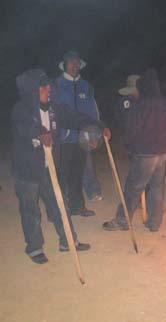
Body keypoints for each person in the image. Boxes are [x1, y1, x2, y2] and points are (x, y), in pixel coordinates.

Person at [11, 69, 111, 264]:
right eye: (44, 86)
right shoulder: (21, 109)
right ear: (33, 90)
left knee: (60, 205)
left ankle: (68, 241)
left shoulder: (55, 109)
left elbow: (77, 118)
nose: (49, 89)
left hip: (49, 168)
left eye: (48, 85)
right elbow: (24, 126)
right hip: (27, 171)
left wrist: (98, 125)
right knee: (30, 209)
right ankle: (34, 247)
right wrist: (40, 132)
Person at [103, 69, 166, 232]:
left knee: (133, 188)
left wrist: (130, 146)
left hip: (144, 152)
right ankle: (154, 222)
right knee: (156, 187)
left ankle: (122, 220)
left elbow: (132, 130)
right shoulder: (165, 103)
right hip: (162, 152)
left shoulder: (140, 105)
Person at [54, 51, 101, 216]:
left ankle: (77, 206)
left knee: (78, 173)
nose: (75, 65)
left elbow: (92, 112)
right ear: (64, 65)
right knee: (62, 174)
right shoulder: (56, 85)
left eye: (77, 63)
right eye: (71, 62)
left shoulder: (86, 86)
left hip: (82, 138)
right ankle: (60, 209)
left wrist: (94, 135)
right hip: (63, 138)